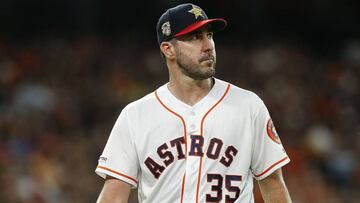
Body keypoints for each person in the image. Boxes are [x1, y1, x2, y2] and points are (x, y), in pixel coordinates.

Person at [95, 3, 292, 203]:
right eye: (195, 37)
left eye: (209, 35)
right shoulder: (136, 115)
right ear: (168, 49)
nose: (208, 46)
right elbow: (113, 196)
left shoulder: (248, 106)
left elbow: (273, 186)